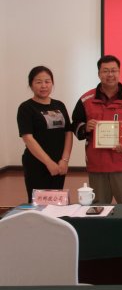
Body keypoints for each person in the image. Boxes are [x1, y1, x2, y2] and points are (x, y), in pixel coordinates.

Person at [72, 55, 122, 204]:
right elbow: (75, 126)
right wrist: (85, 127)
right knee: (98, 208)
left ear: (119, 72)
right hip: (97, 164)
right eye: (105, 71)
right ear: (99, 74)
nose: (110, 74)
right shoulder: (86, 100)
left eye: (114, 70)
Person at [17, 66, 73, 203]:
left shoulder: (59, 105)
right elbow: (28, 138)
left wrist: (64, 160)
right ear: (31, 84)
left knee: (56, 203)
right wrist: (48, 163)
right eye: (38, 82)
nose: (43, 86)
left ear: (52, 83)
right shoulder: (26, 108)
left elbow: (68, 132)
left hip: (59, 164)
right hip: (37, 164)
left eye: (47, 81)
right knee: (40, 205)